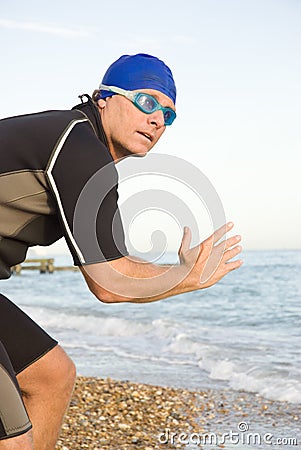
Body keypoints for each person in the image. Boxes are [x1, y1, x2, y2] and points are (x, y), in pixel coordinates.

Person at [0, 53, 242, 449]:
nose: (158, 120)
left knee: (51, 375)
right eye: (147, 102)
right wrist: (185, 275)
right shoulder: (77, 148)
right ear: (104, 98)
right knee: (13, 440)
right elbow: (110, 283)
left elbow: (112, 270)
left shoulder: (76, 144)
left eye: (169, 114)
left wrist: (180, 273)